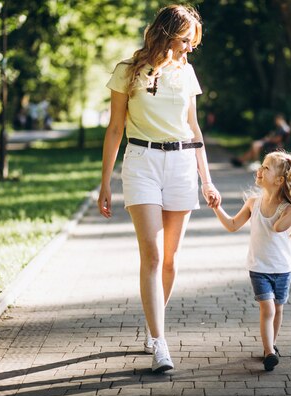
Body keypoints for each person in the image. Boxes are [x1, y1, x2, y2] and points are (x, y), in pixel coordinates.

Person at [97, 4, 221, 373]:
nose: (189, 48)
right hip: (141, 163)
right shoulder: (127, 72)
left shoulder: (187, 73)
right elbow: (115, 129)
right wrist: (104, 182)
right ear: (166, 36)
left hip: (182, 164)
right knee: (151, 254)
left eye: (192, 43)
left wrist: (207, 179)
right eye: (185, 40)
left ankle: (154, 329)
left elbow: (193, 129)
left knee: (169, 259)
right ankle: (160, 343)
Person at [211, 150, 291, 371]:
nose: (259, 170)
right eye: (261, 166)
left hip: (283, 269)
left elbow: (279, 227)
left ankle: (271, 343)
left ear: (279, 180)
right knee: (268, 309)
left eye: (265, 168)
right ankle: (269, 352)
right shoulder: (253, 203)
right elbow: (232, 225)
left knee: (278, 309)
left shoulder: (287, 208)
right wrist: (217, 207)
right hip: (259, 268)